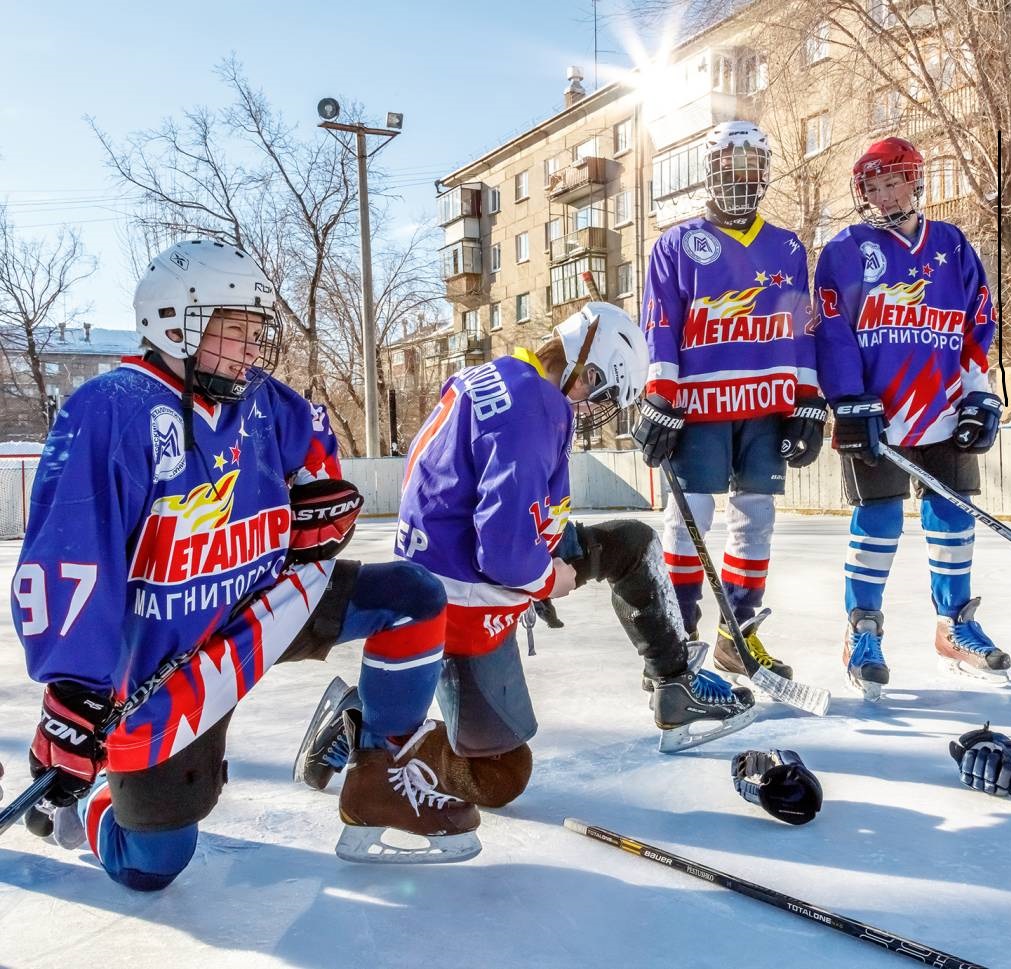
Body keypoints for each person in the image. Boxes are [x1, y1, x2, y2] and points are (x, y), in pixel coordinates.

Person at [12, 239, 480, 888]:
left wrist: (322, 493)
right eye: (235, 330)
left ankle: (381, 774)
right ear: (174, 323)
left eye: (257, 331)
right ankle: (100, 808)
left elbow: (311, 440)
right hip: (169, 664)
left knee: (411, 594)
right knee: (154, 865)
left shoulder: (259, 398)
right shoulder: (109, 411)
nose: (252, 349)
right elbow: (67, 563)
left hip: (263, 605)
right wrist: (75, 692)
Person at [296, 302, 757, 802]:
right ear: (588, 367)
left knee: (631, 543)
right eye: (595, 393)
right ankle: (361, 719)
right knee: (500, 776)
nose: (587, 409)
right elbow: (504, 551)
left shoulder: (495, 376)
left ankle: (674, 685)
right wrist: (542, 577)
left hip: (448, 566)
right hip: (469, 588)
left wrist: (542, 549)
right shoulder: (533, 408)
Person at [814, 137, 1011, 700]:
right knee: (876, 524)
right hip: (878, 418)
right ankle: (863, 632)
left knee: (953, 518)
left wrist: (978, 394)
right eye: (871, 187)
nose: (882, 195)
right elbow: (833, 332)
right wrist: (848, 400)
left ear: (915, 179)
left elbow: (979, 322)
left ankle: (956, 627)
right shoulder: (845, 249)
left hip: (944, 411)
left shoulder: (951, 244)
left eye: (891, 181)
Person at [632, 120, 825, 684]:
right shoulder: (674, 243)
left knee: (755, 520)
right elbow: (660, 324)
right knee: (688, 519)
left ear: (765, 172)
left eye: (751, 166)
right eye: (729, 165)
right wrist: (661, 397)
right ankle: (678, 638)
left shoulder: (787, 245)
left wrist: (808, 401)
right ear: (710, 169)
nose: (740, 177)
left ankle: (737, 635)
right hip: (698, 409)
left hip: (766, 405)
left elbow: (800, 328)